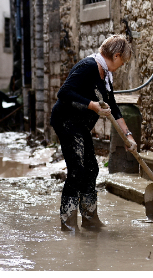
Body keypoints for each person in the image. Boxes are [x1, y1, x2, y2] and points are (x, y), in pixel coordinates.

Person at [50, 34, 138, 231]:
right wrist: (93, 106)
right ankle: (68, 223)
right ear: (116, 56)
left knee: (92, 169)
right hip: (66, 122)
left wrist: (128, 135)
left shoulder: (105, 75)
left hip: (80, 126)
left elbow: (113, 107)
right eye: (122, 62)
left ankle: (90, 218)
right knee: (77, 170)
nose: (121, 66)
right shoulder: (88, 66)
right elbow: (64, 93)